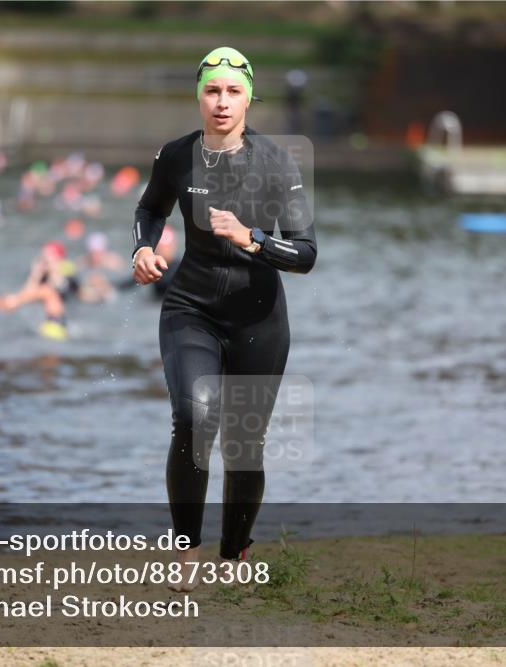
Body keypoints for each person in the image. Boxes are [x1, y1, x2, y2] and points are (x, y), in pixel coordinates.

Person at [131, 47, 316, 591]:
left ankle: (234, 552)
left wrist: (252, 238)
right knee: (193, 418)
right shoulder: (176, 155)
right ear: (199, 96)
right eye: (212, 90)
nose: (222, 102)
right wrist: (143, 249)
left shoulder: (276, 162)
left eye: (233, 91)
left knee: (244, 444)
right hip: (191, 308)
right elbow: (149, 209)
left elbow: (306, 254)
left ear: (249, 98)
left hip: (259, 319)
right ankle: (185, 551)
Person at [0, 241, 72, 340]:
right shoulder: (42, 278)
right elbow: (28, 292)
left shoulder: (67, 277)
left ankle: (13, 301)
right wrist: (35, 274)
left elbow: (55, 287)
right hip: (46, 326)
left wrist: (16, 300)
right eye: (42, 257)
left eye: (47, 257)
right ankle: (13, 301)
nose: (44, 261)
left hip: (58, 326)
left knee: (47, 291)